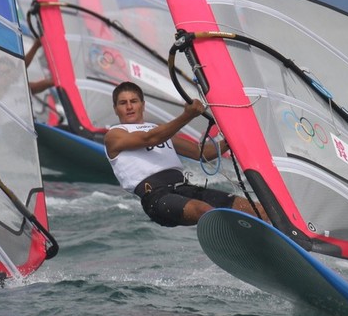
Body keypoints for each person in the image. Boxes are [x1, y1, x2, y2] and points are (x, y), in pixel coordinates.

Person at [104, 81, 259, 227]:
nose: (129, 106)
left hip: (185, 189)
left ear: (143, 105)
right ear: (115, 108)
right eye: (123, 103)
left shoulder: (158, 129)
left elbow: (201, 153)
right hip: (156, 198)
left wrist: (234, 138)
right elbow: (150, 138)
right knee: (206, 211)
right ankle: (233, 246)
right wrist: (187, 115)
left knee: (255, 209)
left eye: (134, 101)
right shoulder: (114, 135)